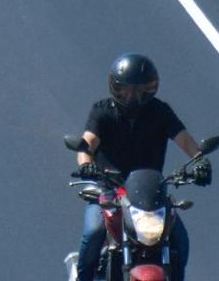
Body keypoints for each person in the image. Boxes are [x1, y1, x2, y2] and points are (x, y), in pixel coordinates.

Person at [71, 53, 206, 281]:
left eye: (139, 89)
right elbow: (87, 145)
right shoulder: (102, 111)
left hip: (150, 194)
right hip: (110, 191)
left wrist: (200, 160)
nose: (132, 95)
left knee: (179, 240)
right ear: (115, 87)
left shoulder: (160, 112)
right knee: (93, 233)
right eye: (125, 89)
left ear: (150, 88)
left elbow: (184, 140)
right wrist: (87, 165)